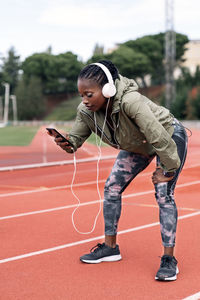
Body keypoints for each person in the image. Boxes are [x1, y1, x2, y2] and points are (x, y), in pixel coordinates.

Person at [51, 60, 188, 281]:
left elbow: (157, 135)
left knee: (163, 194)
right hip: (137, 143)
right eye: (81, 96)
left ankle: (169, 259)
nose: (84, 101)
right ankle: (110, 247)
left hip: (168, 136)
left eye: (89, 94)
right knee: (112, 188)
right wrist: (66, 142)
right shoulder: (86, 111)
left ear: (108, 89)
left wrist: (169, 169)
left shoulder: (131, 101)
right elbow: (75, 140)